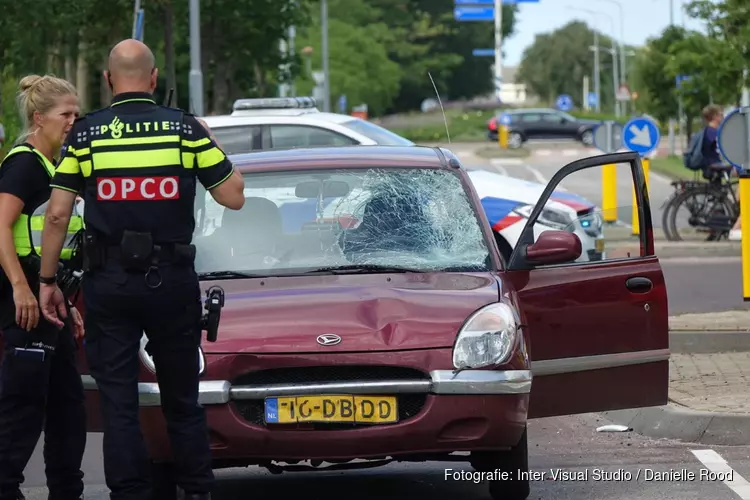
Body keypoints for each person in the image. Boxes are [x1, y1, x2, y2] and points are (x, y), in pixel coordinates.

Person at [36, 39, 245, 500]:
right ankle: (196, 489)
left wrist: (47, 282)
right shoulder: (184, 131)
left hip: (109, 284)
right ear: (153, 79)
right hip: (171, 281)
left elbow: (55, 215)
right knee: (182, 399)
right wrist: (206, 140)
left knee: (119, 404)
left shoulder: (87, 135)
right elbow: (233, 195)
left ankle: (130, 494)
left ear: (109, 80)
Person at [0, 75, 87, 500]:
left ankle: (67, 491)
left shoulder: (54, 165)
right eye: (64, 114)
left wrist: (68, 304)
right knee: (22, 411)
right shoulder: (23, 164)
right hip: (26, 309)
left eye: (77, 113)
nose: (73, 121)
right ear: (38, 118)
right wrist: (20, 287)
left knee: (69, 410)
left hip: (53, 305)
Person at [698, 104, 742, 240]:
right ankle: (736, 222)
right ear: (715, 116)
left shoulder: (710, 131)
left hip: (715, 166)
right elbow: (724, 151)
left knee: (726, 193)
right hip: (716, 167)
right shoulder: (714, 132)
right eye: (721, 114)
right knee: (743, 178)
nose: (723, 117)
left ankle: (737, 205)